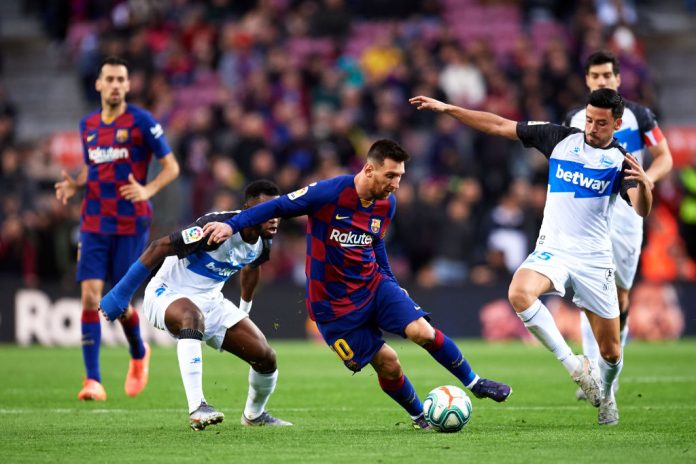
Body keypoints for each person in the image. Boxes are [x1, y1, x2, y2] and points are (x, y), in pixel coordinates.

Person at [201, 139, 512, 430]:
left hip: (373, 285)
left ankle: (475, 383)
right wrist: (232, 225)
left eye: (400, 176)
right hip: (333, 308)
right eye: (390, 175)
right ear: (369, 169)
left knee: (422, 331)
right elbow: (278, 206)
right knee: (388, 363)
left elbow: (376, 242)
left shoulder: (386, 204)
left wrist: (391, 281)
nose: (396, 184)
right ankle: (420, 417)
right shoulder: (329, 193)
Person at [410, 88, 653, 426]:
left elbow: (640, 208)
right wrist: (448, 108)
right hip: (554, 249)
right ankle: (575, 366)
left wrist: (646, 186)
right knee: (519, 293)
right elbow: (498, 125)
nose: (592, 128)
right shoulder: (559, 139)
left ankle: (607, 395)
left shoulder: (621, 161)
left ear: (616, 123)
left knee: (611, 351)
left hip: (594, 258)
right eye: (588, 120)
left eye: (600, 123)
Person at [99, 180, 292, 430]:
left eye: (276, 211)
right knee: (192, 316)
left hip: (212, 302)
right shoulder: (214, 228)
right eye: (266, 211)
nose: (273, 218)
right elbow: (159, 247)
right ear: (248, 210)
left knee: (266, 357)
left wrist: (243, 311)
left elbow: (251, 267)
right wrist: (121, 293)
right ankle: (197, 407)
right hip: (167, 293)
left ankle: (254, 415)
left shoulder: (264, 240)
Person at [54, 56, 180, 401]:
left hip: (130, 223)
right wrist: (76, 184)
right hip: (94, 220)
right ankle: (92, 380)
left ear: (128, 85)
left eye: (120, 79)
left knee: (118, 303)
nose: (114, 85)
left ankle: (139, 352)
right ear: (98, 84)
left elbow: (171, 167)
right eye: (109, 79)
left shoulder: (142, 122)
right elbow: (94, 167)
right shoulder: (88, 125)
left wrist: (148, 190)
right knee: (89, 295)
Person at [564, 50, 673, 401]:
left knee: (620, 294)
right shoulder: (576, 119)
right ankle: (593, 374)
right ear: (587, 80)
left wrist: (647, 180)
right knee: (588, 291)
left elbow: (665, 157)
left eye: (607, 75)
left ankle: (611, 372)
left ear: (618, 78)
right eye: (595, 76)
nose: (602, 81)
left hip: (627, 215)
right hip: (590, 212)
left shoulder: (640, 116)